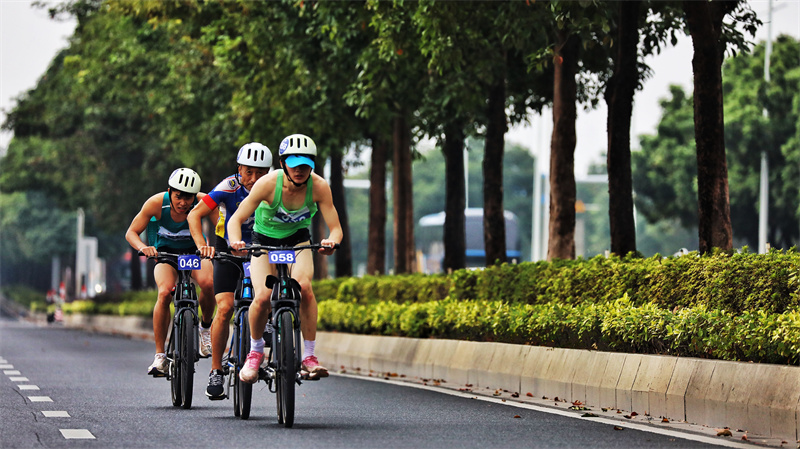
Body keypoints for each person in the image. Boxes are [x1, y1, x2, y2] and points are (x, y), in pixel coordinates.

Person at [227, 133, 342, 383]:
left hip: (297, 240)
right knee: (262, 297)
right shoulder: (268, 184)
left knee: (305, 289)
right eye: (294, 163)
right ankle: (255, 352)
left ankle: (309, 357)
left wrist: (332, 242)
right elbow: (236, 219)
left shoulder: (319, 186)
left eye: (305, 164)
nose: (300, 170)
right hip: (264, 241)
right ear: (282, 164)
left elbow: (336, 227)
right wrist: (236, 241)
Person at [187, 142, 272, 400]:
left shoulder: (275, 188)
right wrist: (203, 246)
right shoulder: (228, 187)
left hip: (260, 245)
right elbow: (195, 214)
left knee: (265, 295)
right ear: (239, 170)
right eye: (248, 172)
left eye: (260, 173)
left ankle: (266, 324)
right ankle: (216, 370)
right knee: (224, 308)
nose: (254, 179)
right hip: (227, 248)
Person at [125, 168, 216, 377]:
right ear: (169, 192)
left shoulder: (204, 202)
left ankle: (204, 329)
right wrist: (143, 247)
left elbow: (222, 227)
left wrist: (221, 245)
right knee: (165, 292)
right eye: (178, 196)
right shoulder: (157, 203)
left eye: (188, 197)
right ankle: (160, 356)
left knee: (209, 284)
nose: (183, 202)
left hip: (194, 254)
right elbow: (131, 232)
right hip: (165, 256)